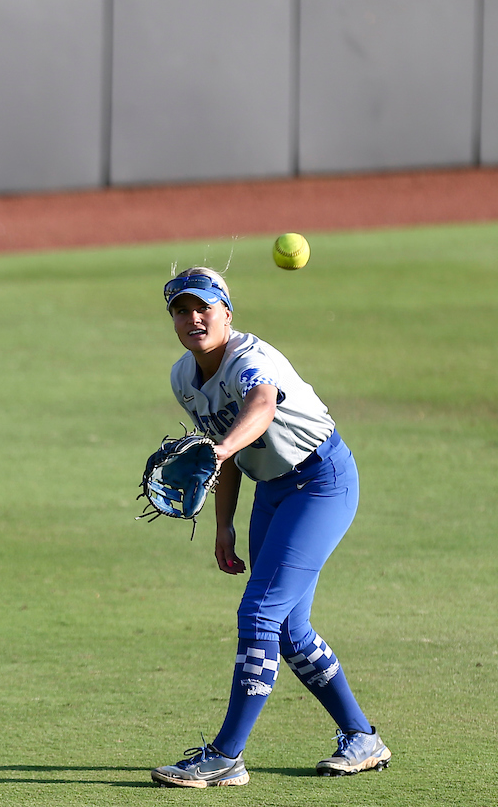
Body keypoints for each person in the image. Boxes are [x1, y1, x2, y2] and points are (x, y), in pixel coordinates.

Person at [149, 266, 390, 789]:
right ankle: (362, 738)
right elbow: (225, 453)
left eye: (204, 307)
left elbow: (258, 409)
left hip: (322, 481)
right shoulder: (182, 378)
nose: (194, 318)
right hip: (272, 492)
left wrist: (221, 448)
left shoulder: (250, 359)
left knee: (259, 612)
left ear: (226, 312)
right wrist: (223, 526)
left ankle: (225, 756)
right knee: (286, 627)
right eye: (181, 310)